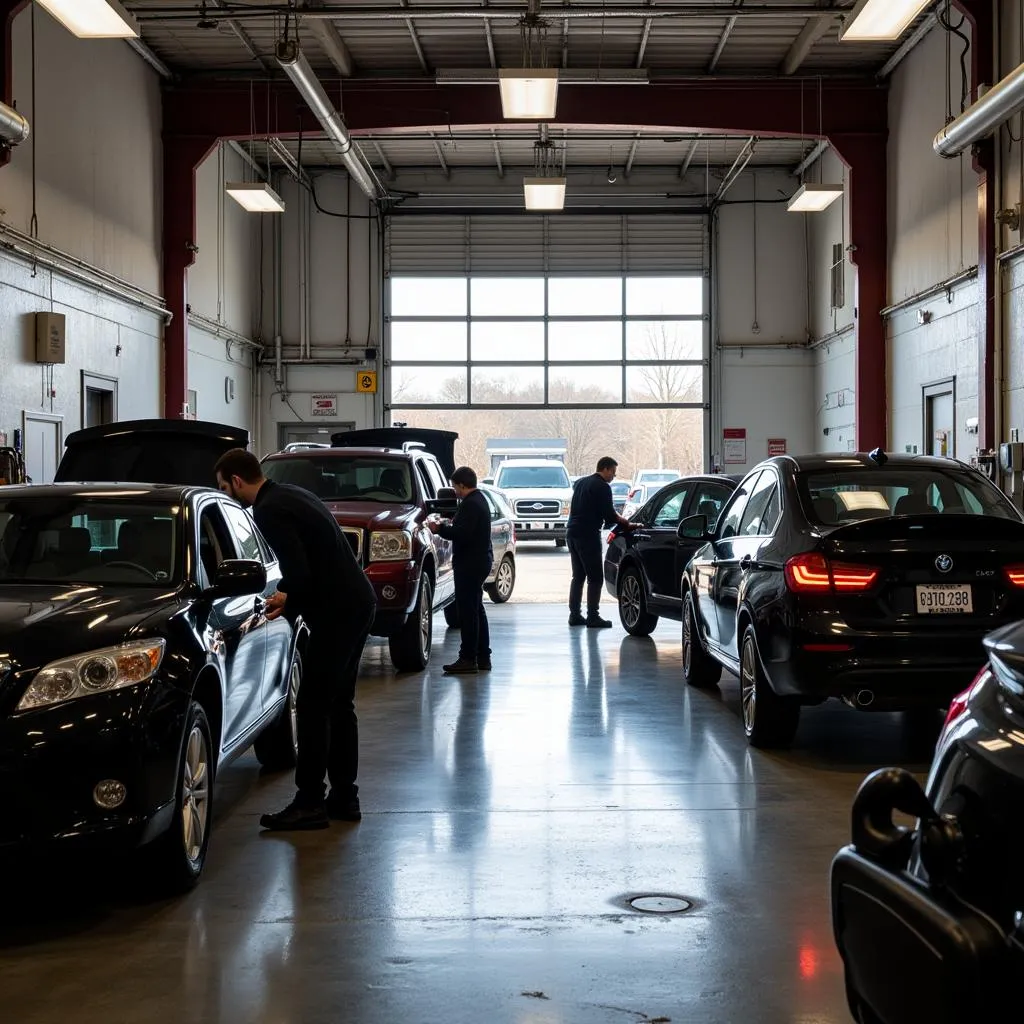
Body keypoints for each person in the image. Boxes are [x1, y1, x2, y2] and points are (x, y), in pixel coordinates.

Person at [214, 448, 377, 832]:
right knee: (339, 705)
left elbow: (299, 574)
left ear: (237, 481)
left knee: (313, 705)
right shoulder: (292, 493)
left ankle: (309, 803)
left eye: (224, 486)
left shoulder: (268, 511)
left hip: (338, 612)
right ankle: (343, 797)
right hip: (358, 601)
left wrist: (285, 600)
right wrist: (292, 593)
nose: (225, 493)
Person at [426, 466, 492, 674]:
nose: (454, 490)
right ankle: (483, 657)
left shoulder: (471, 505)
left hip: (470, 564)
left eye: (455, 486)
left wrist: (439, 529)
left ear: (462, 485)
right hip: (479, 561)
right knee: (476, 609)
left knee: (468, 612)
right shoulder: (479, 500)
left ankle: (467, 659)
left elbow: (462, 533)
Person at [566, 456, 635, 628]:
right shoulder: (602, 486)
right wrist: (627, 523)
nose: (613, 476)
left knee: (578, 576)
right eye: (613, 472)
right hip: (587, 534)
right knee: (595, 578)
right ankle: (593, 616)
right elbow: (609, 514)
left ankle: (574, 615)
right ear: (604, 469)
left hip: (572, 532)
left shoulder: (581, 483)